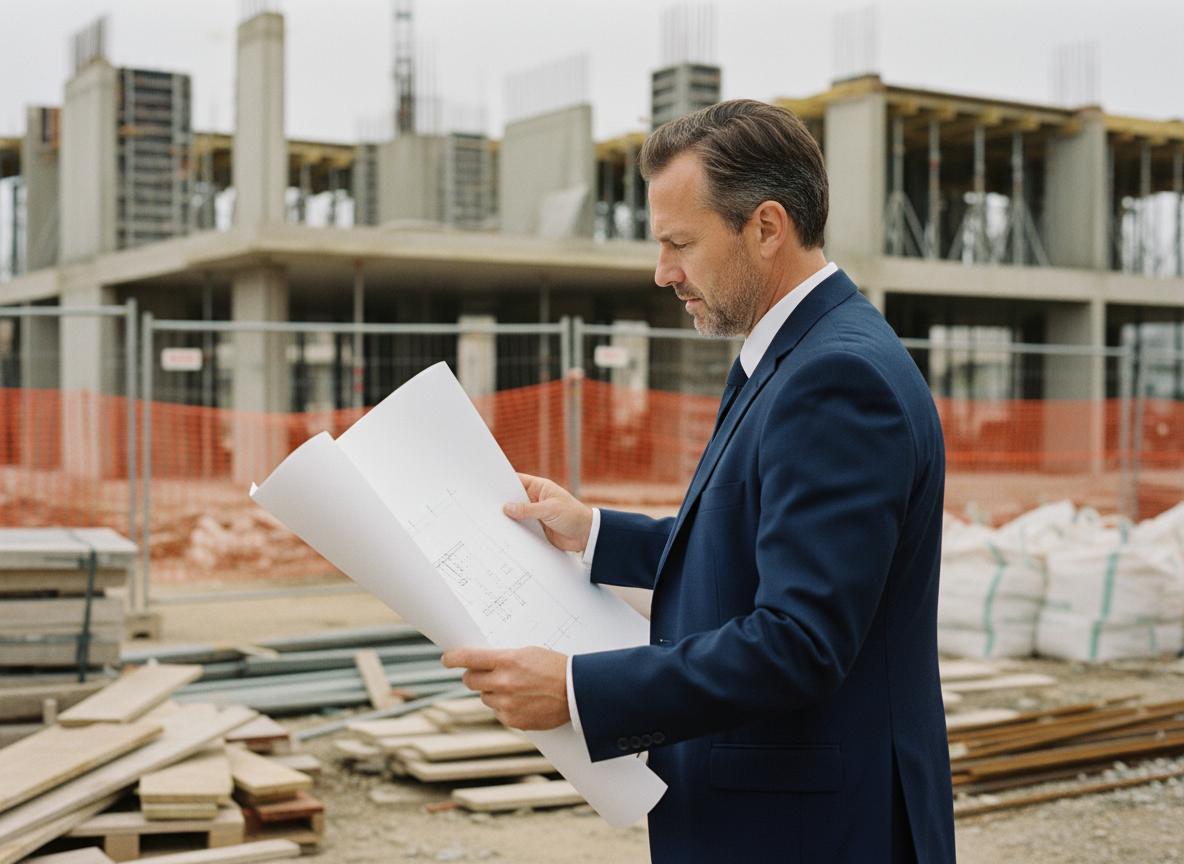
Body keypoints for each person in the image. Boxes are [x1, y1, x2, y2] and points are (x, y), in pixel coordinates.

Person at [443, 99, 955, 863]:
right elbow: (756, 545)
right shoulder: (795, 354)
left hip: (813, 832)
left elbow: (800, 641)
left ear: (766, 227)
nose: (663, 272)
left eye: (680, 242)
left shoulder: (837, 379)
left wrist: (580, 693)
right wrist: (597, 537)